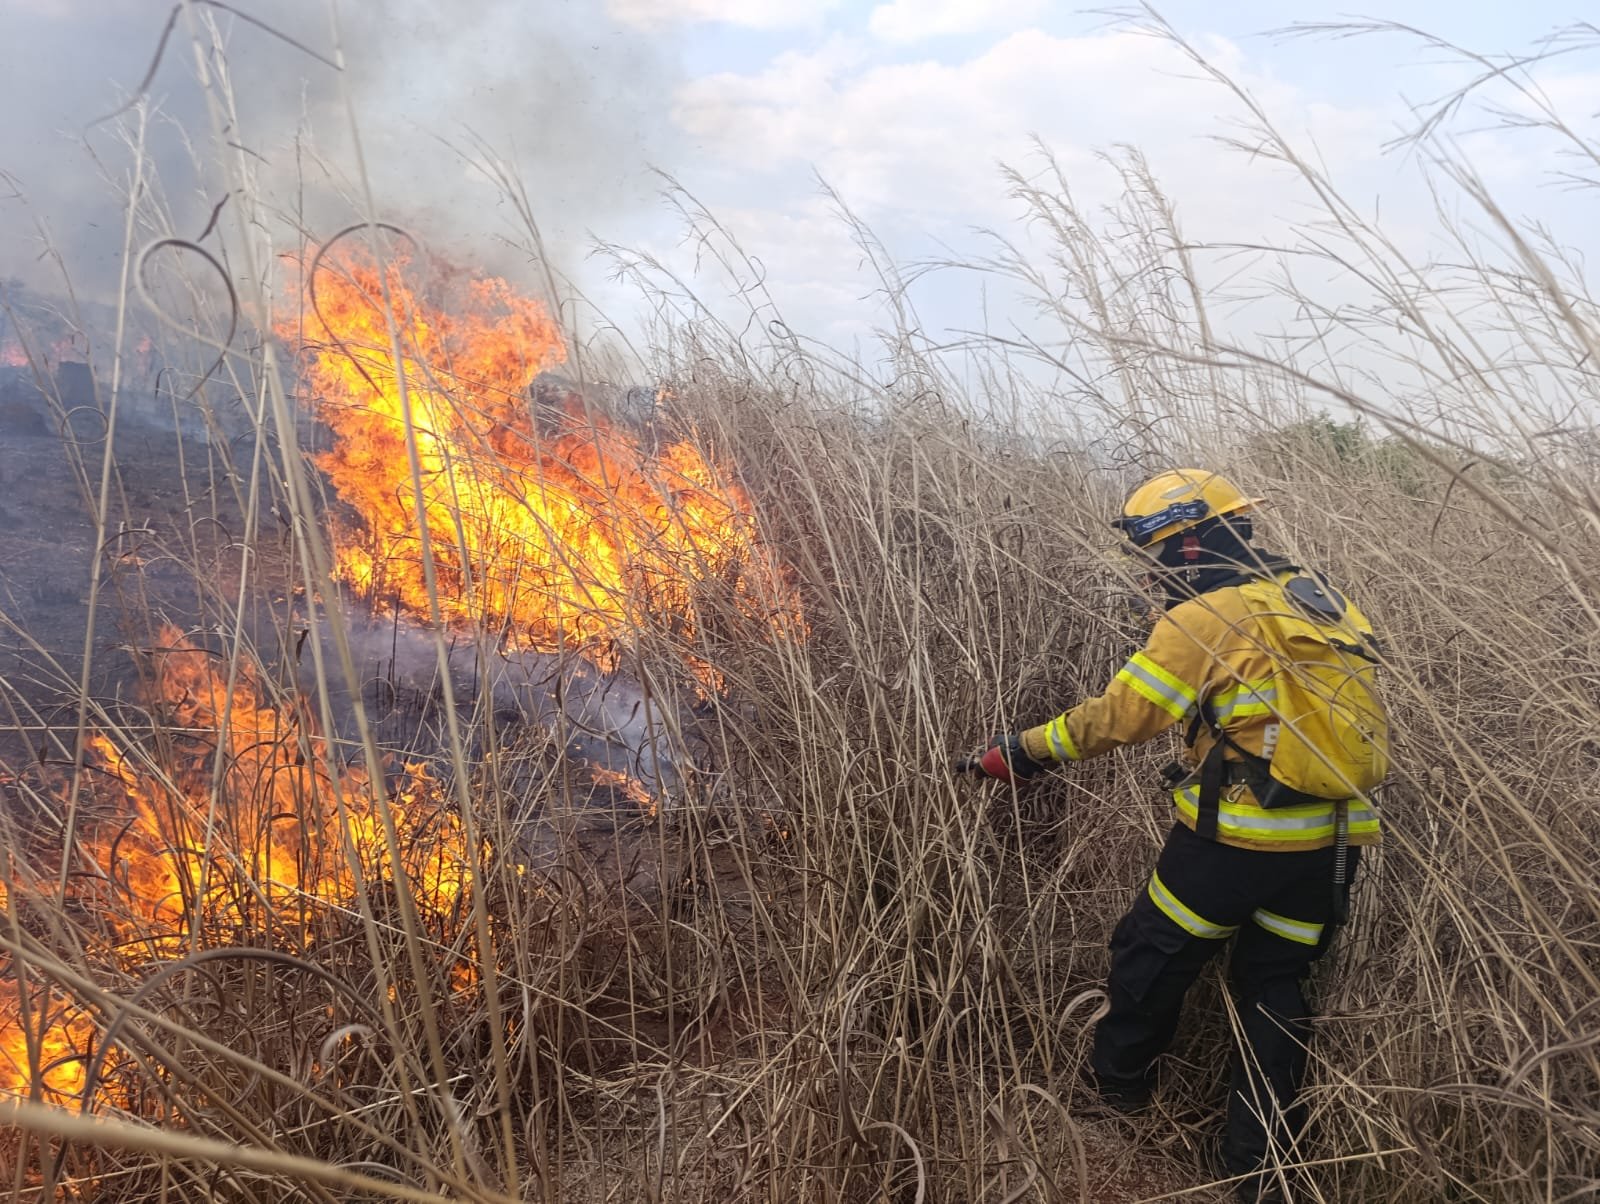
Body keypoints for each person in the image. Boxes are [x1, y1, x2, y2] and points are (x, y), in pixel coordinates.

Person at [962, 468, 1389, 1204]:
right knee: (1277, 987)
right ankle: (1256, 1168)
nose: (1157, 571)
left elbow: (1120, 718)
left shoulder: (1204, 618)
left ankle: (1115, 1097)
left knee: (1150, 953)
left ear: (1189, 545)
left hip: (1233, 848)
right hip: (1331, 846)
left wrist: (1023, 752)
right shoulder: (1315, 596)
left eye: (1159, 553)